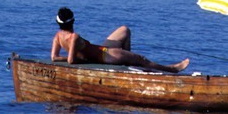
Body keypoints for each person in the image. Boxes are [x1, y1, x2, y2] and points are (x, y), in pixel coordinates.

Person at [49, 7, 189, 73]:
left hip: (102, 50)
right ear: (72, 21)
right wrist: (84, 60)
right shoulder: (74, 37)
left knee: (124, 30)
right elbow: (71, 61)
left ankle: (127, 62)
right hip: (105, 56)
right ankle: (172, 69)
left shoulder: (57, 36)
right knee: (142, 59)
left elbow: (54, 57)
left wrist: (78, 56)